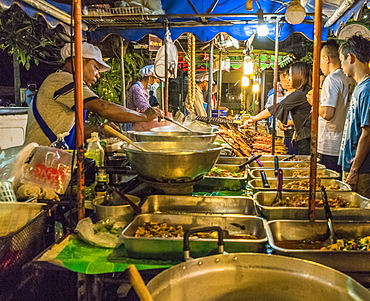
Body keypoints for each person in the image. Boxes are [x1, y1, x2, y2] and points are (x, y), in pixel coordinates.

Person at [24, 42, 163, 148]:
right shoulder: (62, 80)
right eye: (95, 68)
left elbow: (71, 133)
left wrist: (100, 130)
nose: (97, 75)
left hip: (53, 158)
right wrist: (144, 117)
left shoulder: (67, 85)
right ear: (76, 61)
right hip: (42, 162)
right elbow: (104, 108)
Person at [242, 62, 312, 155]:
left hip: (305, 138)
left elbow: (276, 107)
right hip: (304, 136)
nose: (288, 78)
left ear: (298, 75)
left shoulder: (301, 93)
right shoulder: (305, 90)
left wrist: (253, 119)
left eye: (290, 75)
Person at [306, 39, 354, 174]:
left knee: (328, 186)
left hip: (330, 144)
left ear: (326, 59)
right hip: (344, 143)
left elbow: (328, 114)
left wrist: (314, 102)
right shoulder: (349, 78)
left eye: (320, 61)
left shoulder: (332, 79)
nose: (320, 66)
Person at [338, 35, 370, 198]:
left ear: (350, 58)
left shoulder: (367, 90)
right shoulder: (359, 88)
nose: (341, 66)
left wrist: (355, 169)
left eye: (341, 60)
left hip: (362, 170)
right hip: (351, 166)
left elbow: (367, 133)